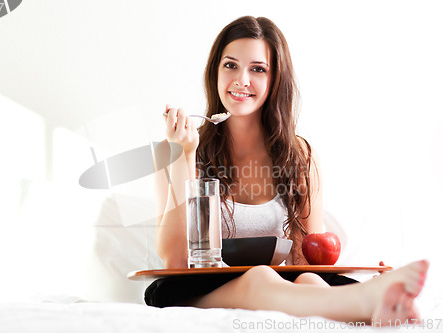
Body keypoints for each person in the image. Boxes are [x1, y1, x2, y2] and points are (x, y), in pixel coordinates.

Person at [147, 16, 429, 325]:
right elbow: (175, 259)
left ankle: (369, 301)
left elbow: (305, 261)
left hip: (279, 286)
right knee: (259, 278)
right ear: (215, 71)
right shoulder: (177, 148)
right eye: (230, 65)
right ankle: (365, 304)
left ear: (275, 79)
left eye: (258, 69)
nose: (242, 79)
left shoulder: (300, 157)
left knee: (308, 282)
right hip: (197, 292)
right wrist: (184, 156)